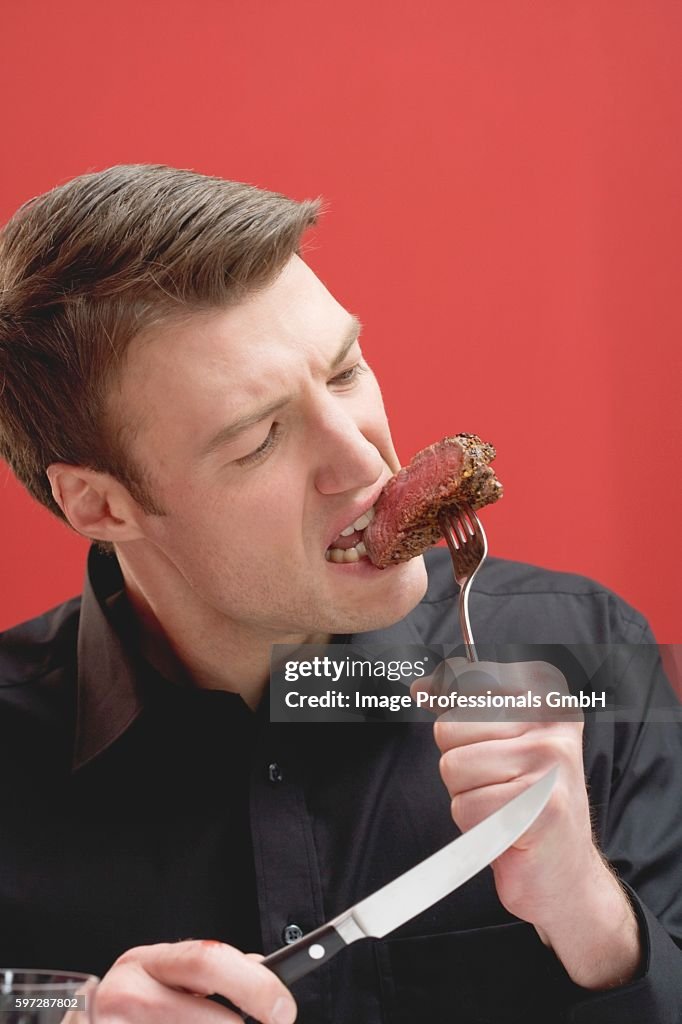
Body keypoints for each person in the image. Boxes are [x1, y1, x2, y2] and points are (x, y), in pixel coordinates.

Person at [0, 164, 680, 1024]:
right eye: (258, 440)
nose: (365, 463)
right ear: (102, 504)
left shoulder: (586, 649)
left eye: (347, 370)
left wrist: (596, 922)